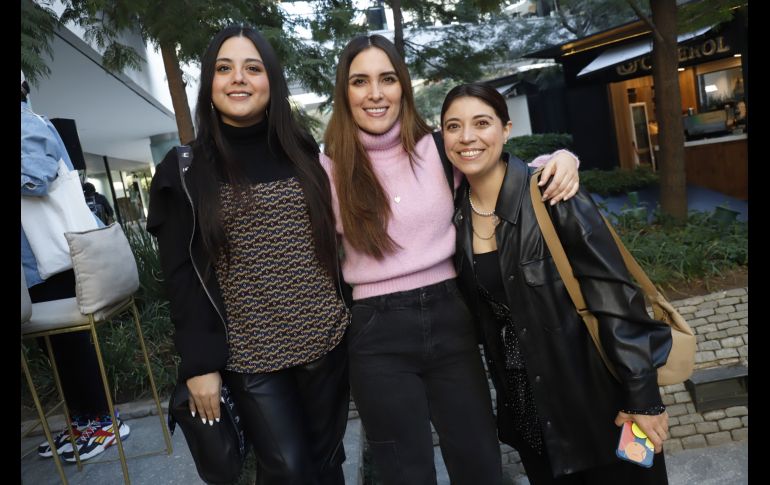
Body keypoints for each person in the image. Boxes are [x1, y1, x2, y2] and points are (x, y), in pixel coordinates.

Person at [318, 34, 580, 485]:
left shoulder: (439, 149)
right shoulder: (327, 169)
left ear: (403, 86)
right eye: (360, 81)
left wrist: (564, 158)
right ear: (345, 92)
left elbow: (508, 173)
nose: (375, 93)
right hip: (376, 333)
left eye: (387, 79)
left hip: (450, 316)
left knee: (480, 462)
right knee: (405, 473)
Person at [146, 26, 349, 484]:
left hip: (325, 342)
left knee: (327, 464)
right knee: (287, 469)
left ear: (271, 80)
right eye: (224, 68)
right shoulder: (185, 169)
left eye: (252, 68)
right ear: (210, 84)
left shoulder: (302, 152)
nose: (238, 78)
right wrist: (199, 365)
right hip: (250, 354)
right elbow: (181, 276)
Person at [440, 82, 672, 484]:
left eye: (482, 123)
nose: (467, 137)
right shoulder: (456, 218)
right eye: (453, 126)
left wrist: (644, 397)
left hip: (602, 407)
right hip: (531, 417)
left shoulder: (552, 193)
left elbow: (615, 296)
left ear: (506, 129)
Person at [21, 72, 130, 462]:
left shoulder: (26, 122)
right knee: (57, 348)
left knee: (71, 346)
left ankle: (106, 421)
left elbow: (35, 178)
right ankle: (84, 421)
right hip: (39, 264)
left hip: (56, 259)